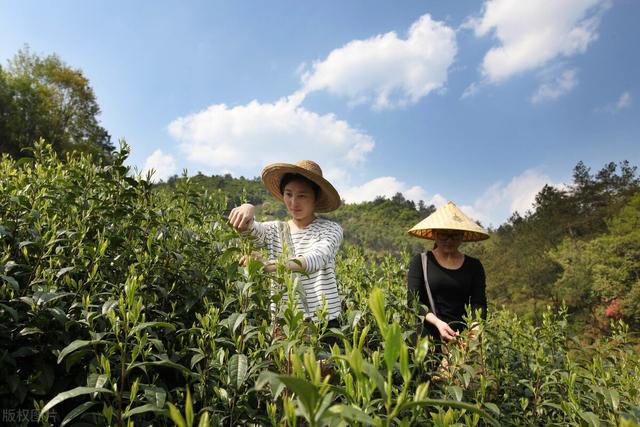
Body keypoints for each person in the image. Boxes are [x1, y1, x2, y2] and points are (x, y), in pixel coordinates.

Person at [228, 160, 343, 329]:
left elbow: (316, 259)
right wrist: (247, 208)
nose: (294, 202)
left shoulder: (330, 229)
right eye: (288, 194)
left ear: (315, 198)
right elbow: (251, 230)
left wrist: (268, 265)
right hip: (285, 324)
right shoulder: (275, 229)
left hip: (324, 324)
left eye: (302, 195)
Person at [406, 201, 489, 343]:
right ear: (434, 234)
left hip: (461, 339)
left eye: (455, 235)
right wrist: (438, 323)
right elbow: (413, 302)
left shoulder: (474, 266)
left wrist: (473, 331)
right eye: (444, 235)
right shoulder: (420, 262)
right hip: (427, 340)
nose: (449, 240)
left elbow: (479, 303)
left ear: (463, 235)